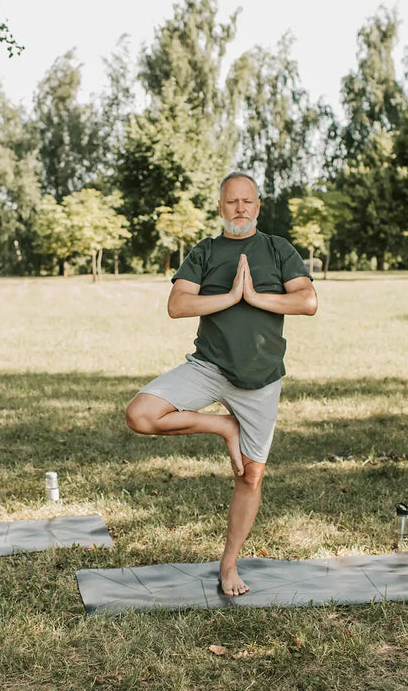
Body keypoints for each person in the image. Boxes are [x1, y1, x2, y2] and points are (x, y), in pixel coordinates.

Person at [125, 172, 317, 596]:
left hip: (261, 380)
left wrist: (254, 297)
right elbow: (178, 305)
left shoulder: (277, 249)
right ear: (220, 207)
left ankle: (229, 565)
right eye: (232, 202)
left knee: (250, 477)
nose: (240, 208)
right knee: (140, 414)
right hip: (209, 367)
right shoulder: (206, 251)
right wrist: (229, 297)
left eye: (248, 201)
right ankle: (223, 426)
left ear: (258, 206)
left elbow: (307, 301)